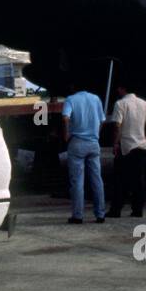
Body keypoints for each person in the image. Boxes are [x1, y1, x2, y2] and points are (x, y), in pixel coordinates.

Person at [109, 81, 146, 218]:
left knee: (119, 180)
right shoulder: (144, 104)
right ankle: (137, 209)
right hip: (141, 146)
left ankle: (116, 209)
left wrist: (115, 143)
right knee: (139, 180)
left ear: (122, 88)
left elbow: (117, 126)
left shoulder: (120, 104)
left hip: (126, 147)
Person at [62, 87, 107, 224]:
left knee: (77, 181)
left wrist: (66, 134)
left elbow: (65, 118)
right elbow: (102, 120)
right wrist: (96, 135)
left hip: (77, 143)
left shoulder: (70, 99)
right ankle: (100, 214)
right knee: (97, 180)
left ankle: (78, 215)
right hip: (93, 143)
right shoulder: (96, 99)